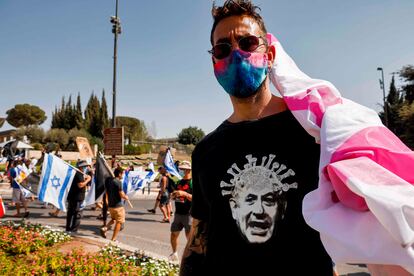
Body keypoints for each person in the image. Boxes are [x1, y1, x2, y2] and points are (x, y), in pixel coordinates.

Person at [181, 1, 333, 275]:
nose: (236, 54)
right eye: (222, 48)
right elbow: (198, 236)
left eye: (248, 43)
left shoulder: (314, 131)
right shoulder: (205, 150)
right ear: (214, 61)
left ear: (270, 54)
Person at [169, 161, 193, 262]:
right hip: (178, 213)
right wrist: (173, 195)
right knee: (173, 234)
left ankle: (192, 256)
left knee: (190, 238)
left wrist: (185, 194)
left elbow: (197, 199)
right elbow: (173, 195)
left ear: (189, 170)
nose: (182, 171)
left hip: (189, 214)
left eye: (184, 169)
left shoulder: (193, 182)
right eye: (181, 169)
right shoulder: (178, 182)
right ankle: (174, 254)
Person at [100, 167, 129, 241]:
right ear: (119, 174)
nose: (122, 175)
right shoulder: (118, 182)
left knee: (113, 219)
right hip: (118, 206)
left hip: (111, 205)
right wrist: (126, 197)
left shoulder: (109, 181)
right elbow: (122, 195)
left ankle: (105, 228)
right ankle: (113, 239)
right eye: (122, 174)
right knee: (119, 222)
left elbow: (106, 192)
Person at [66, 160, 91, 233]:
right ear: (82, 167)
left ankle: (69, 229)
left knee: (71, 214)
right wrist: (88, 180)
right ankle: (73, 230)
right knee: (77, 214)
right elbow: (80, 185)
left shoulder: (77, 173)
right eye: (85, 166)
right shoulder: (78, 174)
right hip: (77, 198)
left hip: (73, 197)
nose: (86, 168)